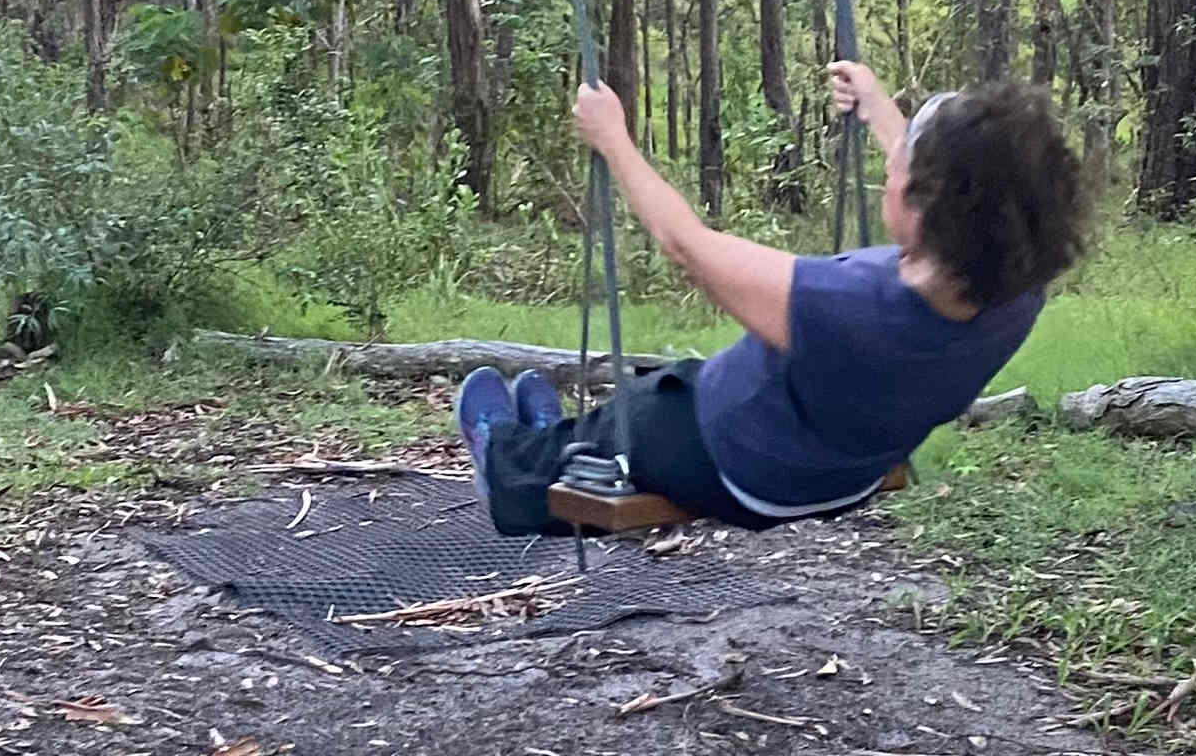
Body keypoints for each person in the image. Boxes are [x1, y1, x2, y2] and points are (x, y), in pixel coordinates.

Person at [456, 57, 1089, 536]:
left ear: (922, 205)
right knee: (665, 392)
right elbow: (952, 184)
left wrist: (613, 139)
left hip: (748, 471)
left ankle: (510, 466)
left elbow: (685, 243)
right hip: (849, 470)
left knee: (648, 405)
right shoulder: (1014, 287)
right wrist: (875, 105)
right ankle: (560, 441)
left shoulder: (842, 308)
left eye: (899, 170)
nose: (890, 169)